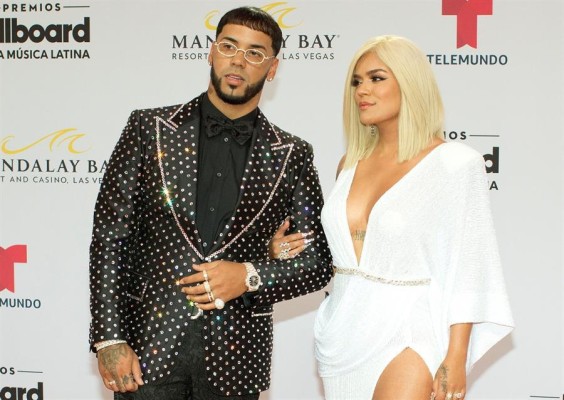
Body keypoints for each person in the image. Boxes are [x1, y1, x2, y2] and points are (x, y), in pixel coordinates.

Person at [88, 6, 332, 400]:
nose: (238, 60)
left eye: (255, 53)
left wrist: (249, 276)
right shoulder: (148, 129)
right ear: (211, 52)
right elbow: (110, 238)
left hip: (237, 355)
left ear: (272, 68)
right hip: (148, 346)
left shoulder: (292, 154)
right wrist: (109, 337)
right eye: (229, 46)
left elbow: (317, 263)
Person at [269, 35, 514, 400]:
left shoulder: (455, 163)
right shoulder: (349, 165)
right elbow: (338, 252)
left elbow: (470, 264)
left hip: (411, 326)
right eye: (356, 81)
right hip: (344, 327)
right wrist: (284, 251)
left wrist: (456, 354)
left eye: (376, 78)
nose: (362, 90)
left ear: (409, 82)